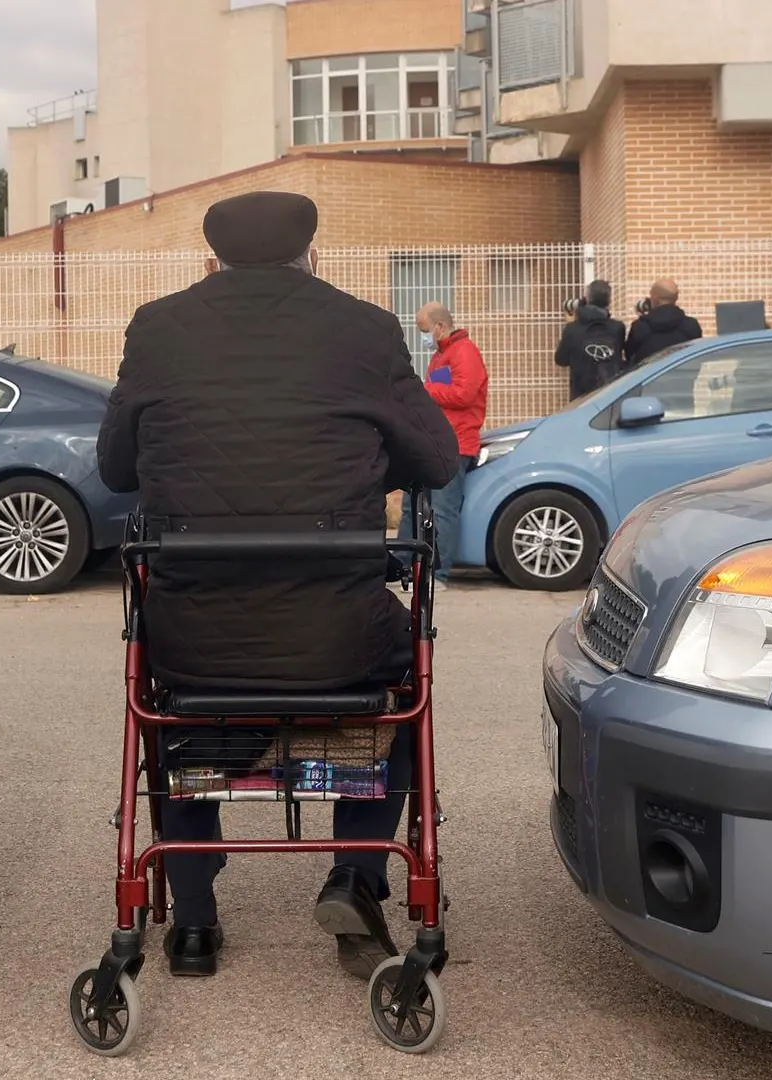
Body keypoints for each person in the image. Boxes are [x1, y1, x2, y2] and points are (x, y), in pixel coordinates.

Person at [96, 191, 460, 982]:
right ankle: (357, 876)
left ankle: (191, 919)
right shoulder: (365, 328)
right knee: (401, 675)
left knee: (172, 699)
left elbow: (116, 469)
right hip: (338, 639)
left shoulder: (156, 328)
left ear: (211, 262)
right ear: (313, 257)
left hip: (194, 642)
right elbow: (436, 461)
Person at [404, 301, 487, 590]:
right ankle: (405, 566)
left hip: (456, 444)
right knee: (412, 506)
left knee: (443, 510)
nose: (423, 337)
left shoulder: (464, 353)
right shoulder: (442, 356)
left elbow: (463, 394)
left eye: (424, 330)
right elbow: (443, 396)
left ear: (439, 326)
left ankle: (439, 574)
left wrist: (425, 389)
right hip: (436, 442)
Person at [554, 279, 628, 400]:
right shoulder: (617, 328)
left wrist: (571, 325)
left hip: (581, 398)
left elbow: (561, 360)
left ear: (587, 299)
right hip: (610, 395)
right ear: (609, 301)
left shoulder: (572, 330)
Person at [626, 278, 703, 365]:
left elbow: (630, 356)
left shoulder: (640, 327)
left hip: (649, 377)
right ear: (676, 298)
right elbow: (697, 356)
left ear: (655, 299)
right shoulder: (692, 326)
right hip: (684, 377)